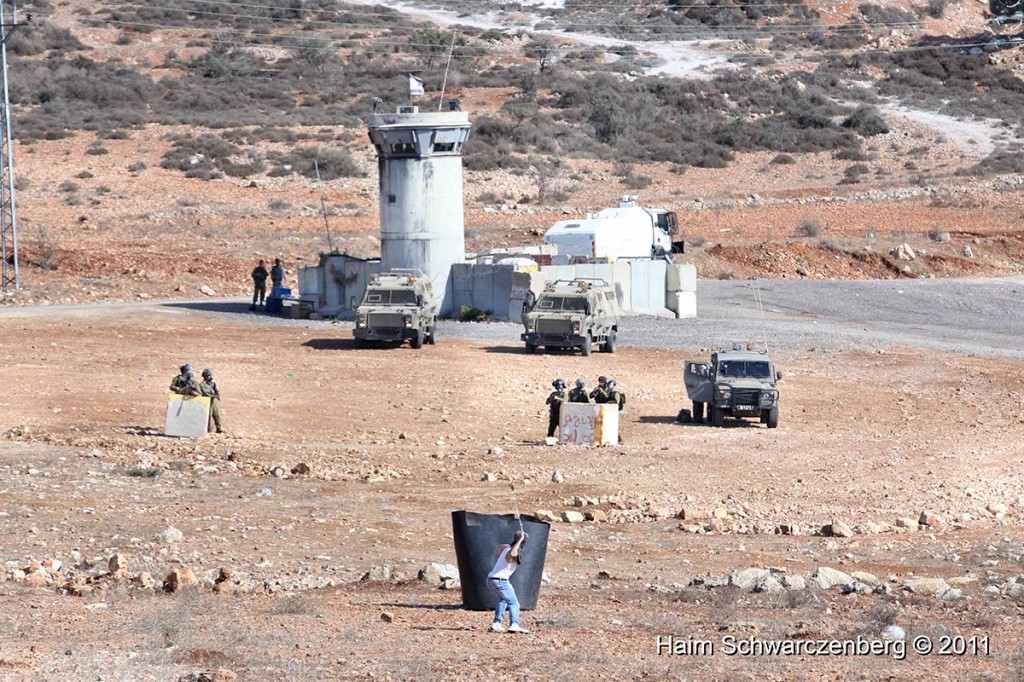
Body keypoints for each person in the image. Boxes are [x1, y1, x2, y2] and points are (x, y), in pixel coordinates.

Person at [487, 530, 528, 634]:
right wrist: (520, 540)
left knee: (503, 600)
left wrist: (516, 541)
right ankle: (514, 624)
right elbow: (511, 555)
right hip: (501, 581)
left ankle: (497, 623)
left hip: (491, 579)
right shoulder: (513, 552)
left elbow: (501, 547)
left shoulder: (507, 548)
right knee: (514, 603)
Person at [198, 368, 223, 434]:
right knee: (208, 415)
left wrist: (217, 394)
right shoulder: (202, 385)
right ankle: (208, 429)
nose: (210, 377)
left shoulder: (212, 383)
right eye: (208, 375)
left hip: (213, 401)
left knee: (216, 414)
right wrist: (214, 396)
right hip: (207, 401)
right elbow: (206, 393)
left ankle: (219, 428)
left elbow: (216, 390)